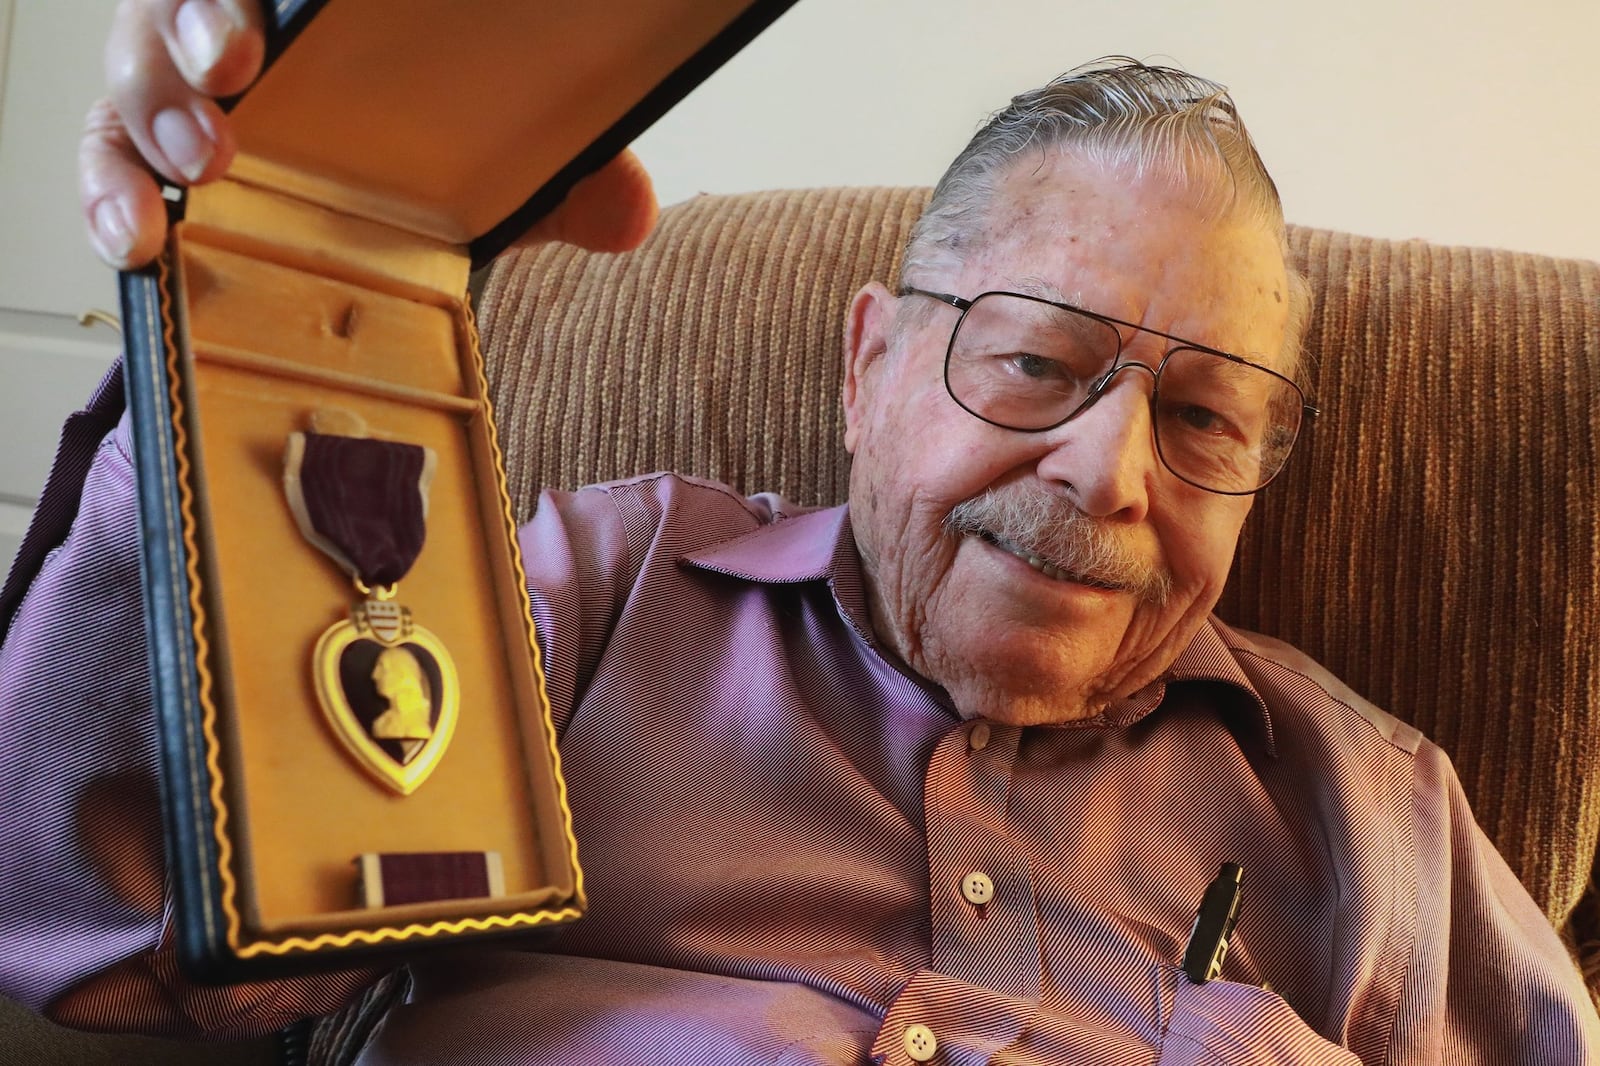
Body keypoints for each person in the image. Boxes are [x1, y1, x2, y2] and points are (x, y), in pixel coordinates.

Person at [3, 2, 1596, 1063]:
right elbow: (115, 939)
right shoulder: (588, 601)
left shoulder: (1376, 811)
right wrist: (253, 297)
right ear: (869, 363)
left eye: (1203, 420)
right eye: (1037, 359)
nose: (1113, 476)